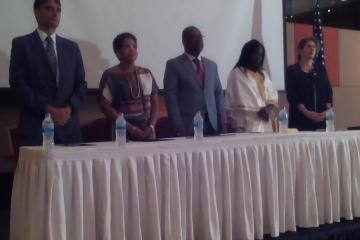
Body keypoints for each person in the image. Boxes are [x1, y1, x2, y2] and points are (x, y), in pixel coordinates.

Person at [9, 0, 87, 146]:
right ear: (36, 11)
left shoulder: (72, 48)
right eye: (49, 8)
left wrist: (68, 109)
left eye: (58, 10)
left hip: (69, 127)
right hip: (35, 127)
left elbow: (81, 84)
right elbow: (18, 83)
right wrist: (48, 109)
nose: (55, 13)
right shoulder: (21, 44)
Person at [164, 26, 225, 136]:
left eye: (200, 37)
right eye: (193, 37)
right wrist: (177, 124)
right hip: (187, 125)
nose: (198, 40)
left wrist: (222, 119)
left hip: (212, 124)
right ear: (184, 41)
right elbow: (171, 98)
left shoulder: (212, 65)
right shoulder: (173, 65)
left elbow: (218, 93)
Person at [98, 32, 159, 141]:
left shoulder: (146, 72)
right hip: (122, 133)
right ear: (117, 52)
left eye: (134, 46)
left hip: (147, 131)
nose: (132, 49)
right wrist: (131, 128)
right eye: (127, 46)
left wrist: (151, 126)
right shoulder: (111, 74)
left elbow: (155, 102)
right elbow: (104, 106)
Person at [225, 39, 278, 133]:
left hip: (265, 124)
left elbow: (272, 96)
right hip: (246, 125)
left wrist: (268, 109)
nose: (259, 58)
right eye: (256, 54)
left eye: (261, 55)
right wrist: (258, 110)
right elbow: (236, 102)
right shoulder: (237, 74)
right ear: (247, 54)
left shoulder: (263, 74)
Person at [286, 37, 333, 131]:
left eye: (314, 47)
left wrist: (327, 111)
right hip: (300, 119)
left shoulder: (321, 69)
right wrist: (307, 113)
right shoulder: (292, 70)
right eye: (309, 46)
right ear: (300, 50)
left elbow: (328, 91)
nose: (312, 49)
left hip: (321, 119)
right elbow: (293, 96)